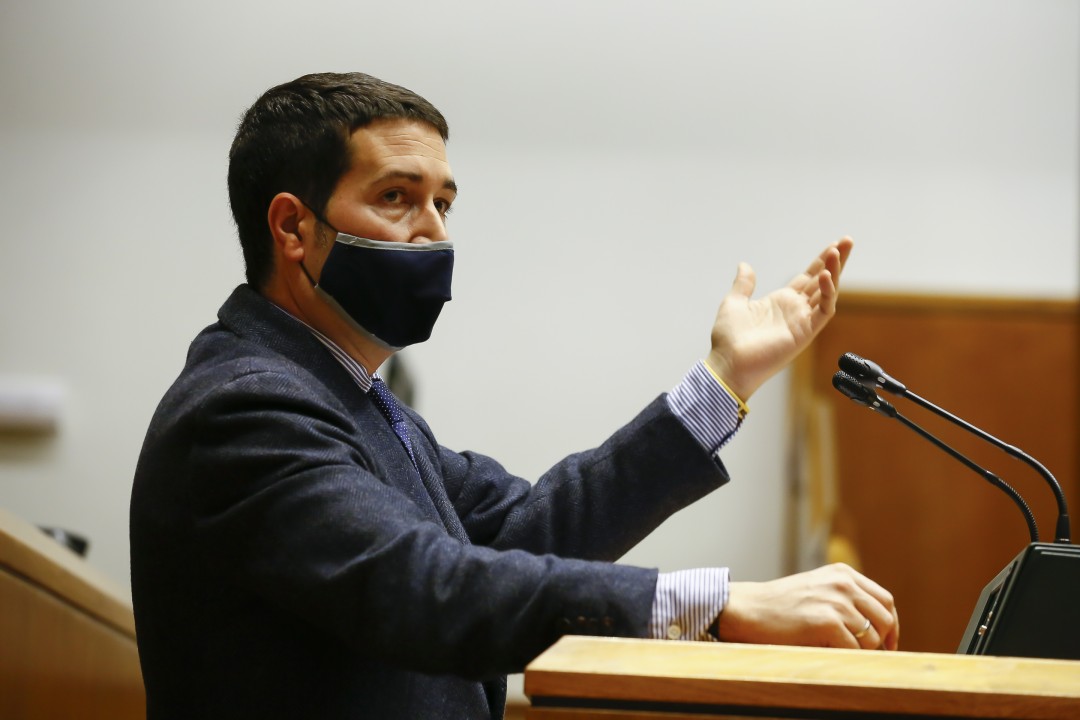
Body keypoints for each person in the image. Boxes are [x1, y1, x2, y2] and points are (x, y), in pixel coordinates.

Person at [129, 72, 898, 720]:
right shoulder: (244, 409)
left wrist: (725, 381)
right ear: (293, 227)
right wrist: (717, 606)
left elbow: (530, 532)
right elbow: (429, 588)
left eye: (444, 203)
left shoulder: (357, 403)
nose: (434, 232)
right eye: (397, 197)